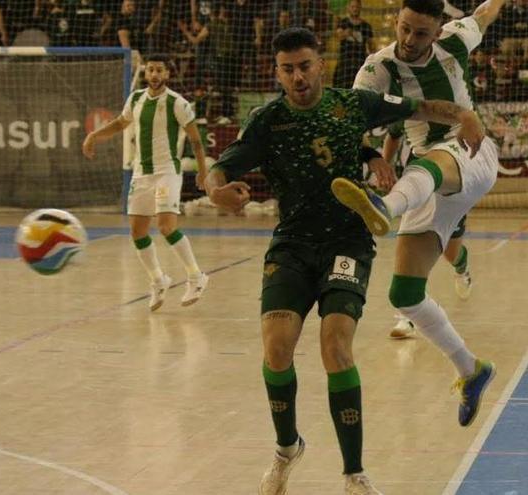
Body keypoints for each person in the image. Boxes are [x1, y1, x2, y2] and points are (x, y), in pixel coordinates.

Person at [205, 26, 485, 495]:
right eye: (288, 69)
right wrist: (216, 192)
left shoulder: (352, 104)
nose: (298, 77)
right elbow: (220, 168)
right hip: (291, 244)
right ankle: (286, 448)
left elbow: (419, 107)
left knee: (335, 348)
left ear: (321, 65)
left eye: (306, 66)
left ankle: (353, 472)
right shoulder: (266, 121)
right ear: (277, 72)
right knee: (276, 348)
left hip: (347, 242)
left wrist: (464, 114)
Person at [335, 0, 506, 427]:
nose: (410, 41)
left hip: (471, 153)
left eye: (421, 33)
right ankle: (471, 370)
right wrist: (371, 153)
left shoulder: (457, 41)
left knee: (428, 164)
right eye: (405, 29)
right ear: (397, 20)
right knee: (405, 295)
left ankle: (383, 207)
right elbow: (347, 125)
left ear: (438, 31)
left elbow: (485, 14)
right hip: (427, 174)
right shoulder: (376, 70)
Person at [82, 58, 210, 310]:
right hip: (142, 173)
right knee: (137, 232)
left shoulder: (177, 103)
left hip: (167, 172)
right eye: (150, 69)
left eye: (159, 69)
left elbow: (196, 141)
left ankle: (196, 276)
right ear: (146, 73)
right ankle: (158, 280)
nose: (154, 74)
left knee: (165, 227)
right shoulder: (136, 99)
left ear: (167, 74)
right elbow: (120, 123)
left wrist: (203, 171)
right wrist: (94, 136)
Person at [379, 123, 473, 339]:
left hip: (453, 171)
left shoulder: (454, 103)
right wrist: (385, 165)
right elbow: (393, 135)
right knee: (411, 243)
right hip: (419, 172)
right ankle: (407, 316)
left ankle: (462, 266)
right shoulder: (407, 102)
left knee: (451, 253)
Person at [333, 0, 374, 88]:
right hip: (345, 62)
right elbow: (338, 36)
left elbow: (371, 46)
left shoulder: (366, 26)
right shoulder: (343, 22)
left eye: (357, 7)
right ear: (348, 8)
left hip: (359, 61)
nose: (355, 9)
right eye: (352, 7)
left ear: (360, 8)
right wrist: (346, 33)